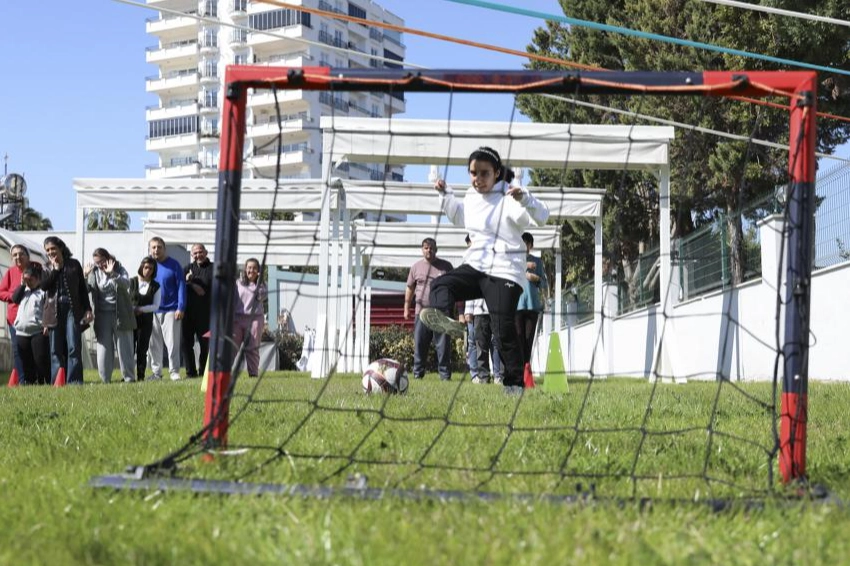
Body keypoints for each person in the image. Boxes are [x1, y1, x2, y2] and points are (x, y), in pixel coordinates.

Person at [420, 147, 550, 394]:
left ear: (497, 173)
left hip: (504, 271)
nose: (477, 179)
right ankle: (448, 321)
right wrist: (445, 194)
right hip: (476, 266)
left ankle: (514, 386)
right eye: (473, 173)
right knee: (440, 285)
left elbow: (543, 216)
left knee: (502, 331)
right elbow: (460, 217)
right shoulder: (471, 196)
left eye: (483, 174)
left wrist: (526, 199)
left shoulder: (509, 197)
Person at [41, 236, 93, 385]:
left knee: (73, 346)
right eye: (48, 250)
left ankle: (75, 381)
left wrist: (88, 309)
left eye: (53, 249)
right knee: (55, 349)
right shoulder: (45, 267)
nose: (51, 252)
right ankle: (57, 381)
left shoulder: (74, 264)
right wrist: (55, 270)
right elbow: (44, 286)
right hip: (53, 311)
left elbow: (82, 290)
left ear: (61, 248)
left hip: (72, 309)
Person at [404, 238, 454, 381]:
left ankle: (445, 376)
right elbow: (410, 288)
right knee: (420, 344)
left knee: (443, 346)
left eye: (431, 248)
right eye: (426, 248)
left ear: (436, 249)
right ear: (422, 249)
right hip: (421, 312)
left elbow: (454, 287)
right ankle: (418, 374)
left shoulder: (446, 266)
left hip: (441, 313)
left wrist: (457, 311)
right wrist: (406, 307)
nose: (428, 250)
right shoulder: (415, 267)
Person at [85, 248, 136, 383]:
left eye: (101, 262)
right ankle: (105, 379)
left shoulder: (119, 268)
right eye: (97, 263)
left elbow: (126, 284)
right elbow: (86, 290)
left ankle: (129, 378)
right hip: (102, 315)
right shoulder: (94, 272)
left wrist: (113, 274)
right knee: (104, 349)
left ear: (108, 259)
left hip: (121, 314)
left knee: (124, 348)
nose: (100, 266)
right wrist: (85, 276)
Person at [147, 237, 186, 381]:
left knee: (172, 343)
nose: (156, 250)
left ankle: (174, 371)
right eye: (153, 247)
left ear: (164, 248)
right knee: (154, 344)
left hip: (171, 309)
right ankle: (156, 373)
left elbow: (181, 286)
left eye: (159, 247)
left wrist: (180, 307)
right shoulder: (147, 265)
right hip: (152, 310)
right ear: (150, 249)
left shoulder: (174, 265)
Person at [0, 245, 36, 384]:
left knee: (35, 351)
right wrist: (14, 295)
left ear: (28, 256)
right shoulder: (10, 272)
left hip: (34, 318)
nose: (18, 257)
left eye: (21, 254)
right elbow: (1, 292)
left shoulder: (36, 269)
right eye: (14, 255)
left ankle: (37, 379)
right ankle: (23, 381)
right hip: (15, 319)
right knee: (19, 351)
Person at [11, 263, 50, 385]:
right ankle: (30, 382)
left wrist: (46, 324)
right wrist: (22, 285)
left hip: (37, 330)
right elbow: (14, 299)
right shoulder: (23, 291)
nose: (28, 282)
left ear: (38, 278)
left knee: (40, 359)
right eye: (25, 279)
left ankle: (43, 381)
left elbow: (48, 309)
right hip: (21, 331)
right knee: (25, 360)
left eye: (30, 279)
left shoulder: (43, 292)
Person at [516, 232, 548, 373]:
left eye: (527, 244)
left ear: (531, 246)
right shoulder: (514, 260)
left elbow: (544, 283)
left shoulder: (538, 262)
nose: (525, 246)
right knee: (518, 339)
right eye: (522, 243)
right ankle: (519, 370)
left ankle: (526, 370)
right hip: (516, 306)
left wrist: (536, 278)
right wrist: (524, 270)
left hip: (532, 306)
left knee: (529, 340)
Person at [182, 243, 213, 378]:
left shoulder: (213, 268)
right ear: (191, 255)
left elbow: (206, 286)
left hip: (206, 314)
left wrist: (191, 281)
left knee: (205, 345)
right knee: (186, 344)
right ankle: (190, 373)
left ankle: (203, 371)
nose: (198, 255)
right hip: (187, 313)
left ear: (206, 253)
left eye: (200, 252)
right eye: (195, 253)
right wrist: (189, 282)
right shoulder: (187, 268)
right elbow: (179, 284)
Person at [234, 258, 267, 378]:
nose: (251, 270)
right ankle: (225, 372)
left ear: (258, 271)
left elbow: (261, 297)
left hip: (254, 320)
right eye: (249, 268)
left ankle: (253, 374)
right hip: (237, 319)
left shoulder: (262, 285)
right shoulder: (238, 283)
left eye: (254, 268)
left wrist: (259, 281)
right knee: (232, 346)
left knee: (252, 348)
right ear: (245, 269)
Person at [130, 256, 161, 382]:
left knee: (142, 350)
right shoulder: (132, 281)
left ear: (154, 271)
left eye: (151, 268)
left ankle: (141, 376)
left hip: (146, 321)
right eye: (146, 267)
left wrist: (140, 309)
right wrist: (132, 309)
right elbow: (125, 299)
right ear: (141, 267)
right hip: (130, 320)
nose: (147, 270)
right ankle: (128, 376)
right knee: (129, 349)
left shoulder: (156, 286)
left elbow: (156, 305)